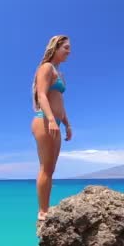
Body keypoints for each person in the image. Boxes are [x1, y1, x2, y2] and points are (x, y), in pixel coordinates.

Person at [31, 35, 73, 221]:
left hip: (54, 122)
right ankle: (43, 211)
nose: (69, 51)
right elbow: (42, 95)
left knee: (51, 169)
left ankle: (46, 208)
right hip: (44, 121)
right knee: (45, 168)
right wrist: (51, 119)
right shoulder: (46, 68)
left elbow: (59, 102)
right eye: (66, 47)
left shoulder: (59, 72)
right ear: (55, 48)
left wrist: (67, 124)